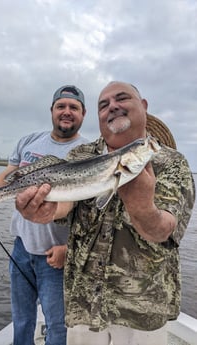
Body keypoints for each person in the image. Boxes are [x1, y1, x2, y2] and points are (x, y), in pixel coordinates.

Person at [15, 81, 195, 345]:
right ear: (97, 116)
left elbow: (165, 229)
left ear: (143, 106)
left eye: (122, 98)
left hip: (141, 310)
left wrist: (142, 207)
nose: (112, 106)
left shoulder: (172, 163)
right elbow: (68, 204)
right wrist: (47, 211)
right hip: (84, 304)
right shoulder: (81, 154)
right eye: (103, 104)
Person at [0, 85, 88, 345]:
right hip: (21, 247)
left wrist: (68, 246)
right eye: (61, 106)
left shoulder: (89, 152)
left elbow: (91, 211)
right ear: (52, 111)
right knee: (21, 319)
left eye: (73, 108)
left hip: (56, 255)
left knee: (57, 325)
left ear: (83, 114)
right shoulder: (28, 141)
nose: (67, 112)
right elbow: (8, 178)